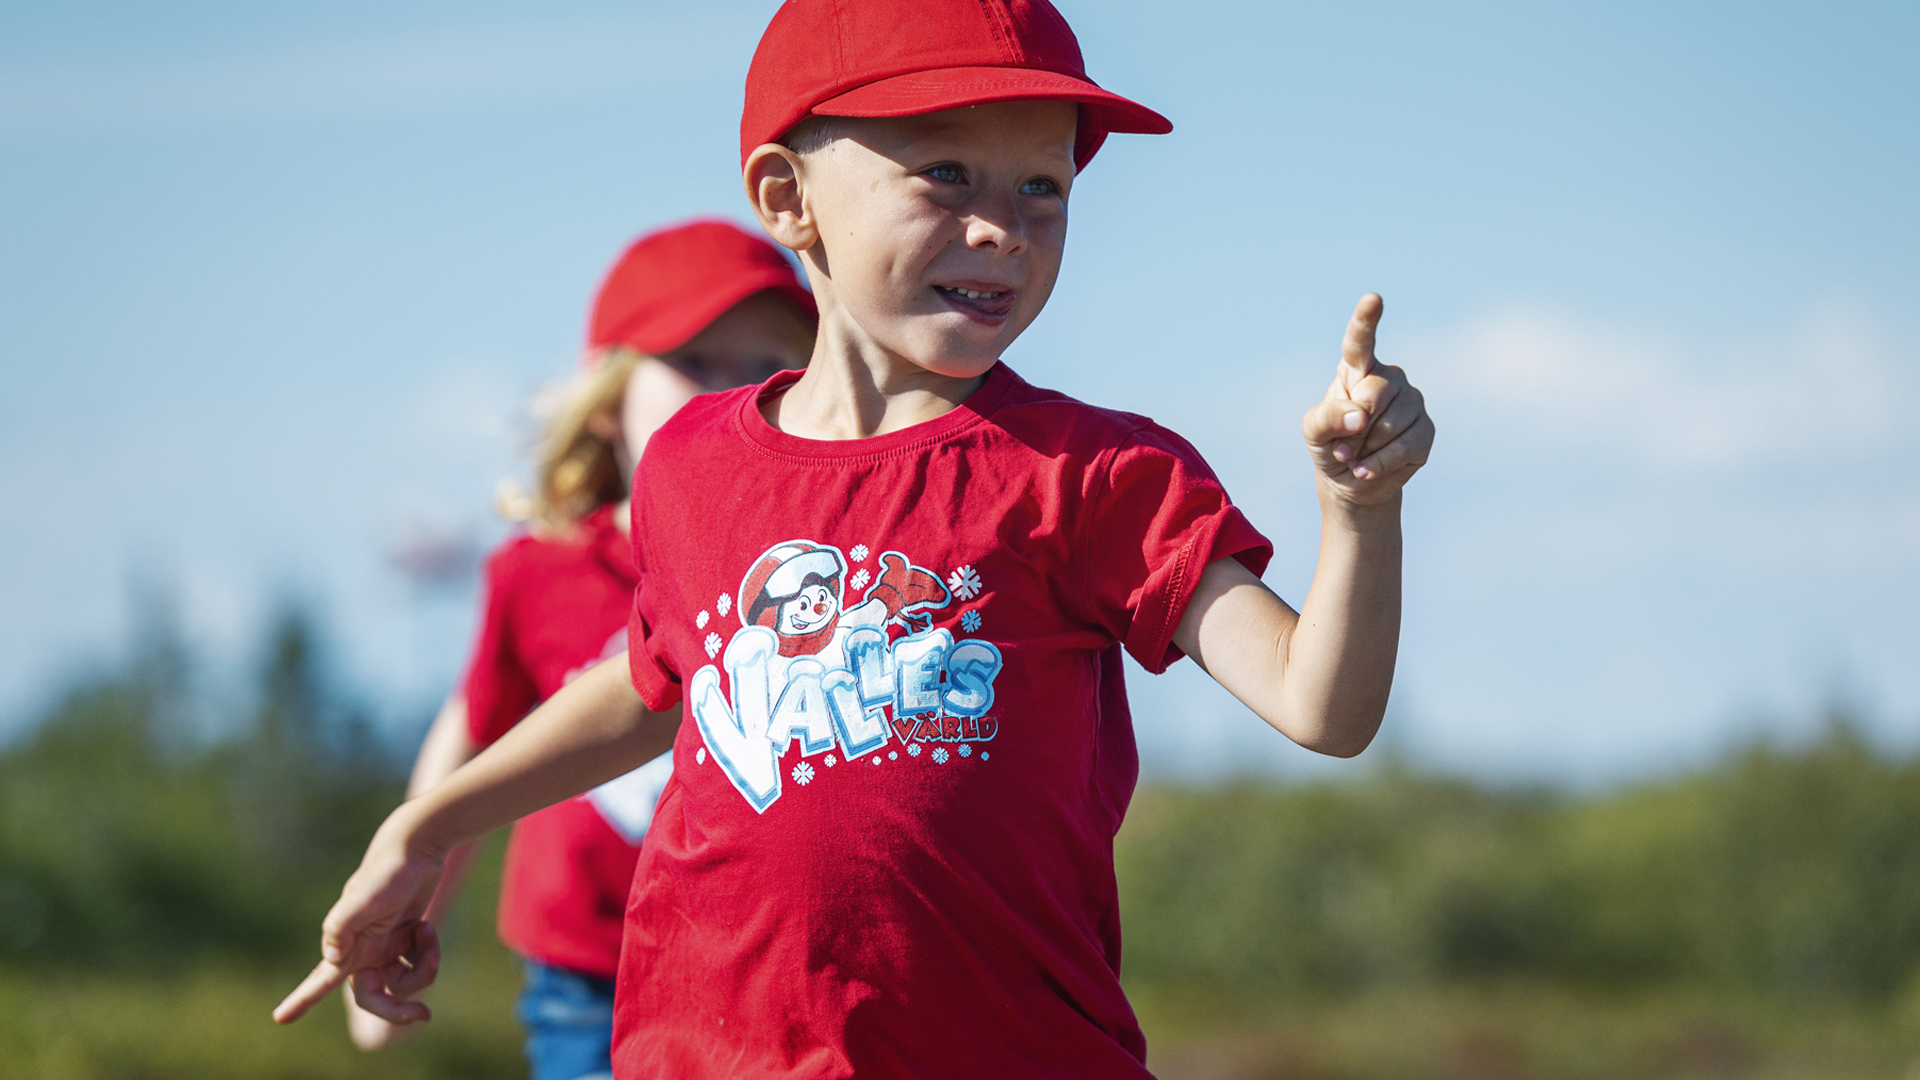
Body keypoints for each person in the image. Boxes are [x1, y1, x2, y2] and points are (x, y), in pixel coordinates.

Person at [275, 2, 1436, 1077]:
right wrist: (427, 825)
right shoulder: (691, 464)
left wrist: (1360, 512)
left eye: (1044, 185)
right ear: (788, 199)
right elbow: (650, 687)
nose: (1004, 226)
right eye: (944, 172)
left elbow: (1320, 708)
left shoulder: (1098, 476)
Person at [340, 219, 815, 1080]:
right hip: (589, 980)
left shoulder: (814, 572)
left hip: (773, 974)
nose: (734, 391)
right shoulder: (539, 573)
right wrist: (408, 915)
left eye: (767, 367)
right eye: (696, 362)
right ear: (607, 400)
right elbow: (472, 735)